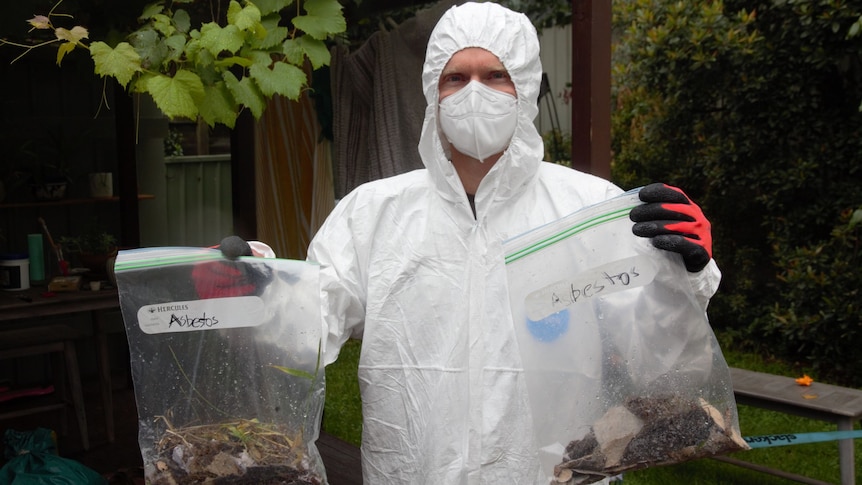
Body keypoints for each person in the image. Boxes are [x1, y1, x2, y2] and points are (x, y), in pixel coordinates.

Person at [303, 2, 720, 484]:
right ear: (431, 92)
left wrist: (681, 277)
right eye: (455, 78)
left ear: (523, 87)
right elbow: (305, 323)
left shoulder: (588, 210)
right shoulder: (373, 214)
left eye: (495, 75)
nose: (474, 93)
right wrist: (252, 286)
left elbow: (658, 358)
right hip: (414, 470)